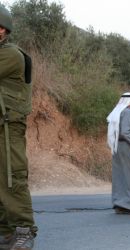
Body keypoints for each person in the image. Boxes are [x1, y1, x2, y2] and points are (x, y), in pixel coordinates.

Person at [0, 5, 37, 250]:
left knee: (12, 178)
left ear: (3, 29)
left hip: (8, 127)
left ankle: (23, 229)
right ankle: (6, 231)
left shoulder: (10, 54)